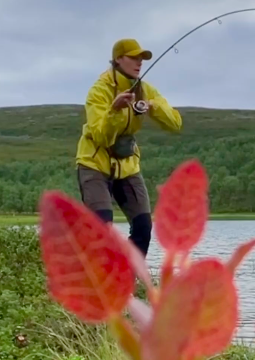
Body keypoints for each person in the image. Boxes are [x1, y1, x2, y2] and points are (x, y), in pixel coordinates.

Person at [74, 38, 182, 257]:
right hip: (94, 164)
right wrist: (114, 110)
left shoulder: (146, 90)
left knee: (143, 227)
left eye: (141, 58)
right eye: (133, 57)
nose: (139, 62)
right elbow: (101, 137)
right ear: (118, 60)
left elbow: (175, 124)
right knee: (101, 229)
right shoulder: (98, 91)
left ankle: (128, 275)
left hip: (128, 166)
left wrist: (153, 106)